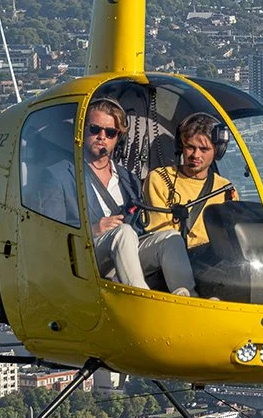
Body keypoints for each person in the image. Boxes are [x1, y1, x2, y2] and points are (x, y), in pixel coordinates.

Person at [81, 99, 193, 294]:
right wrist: (94, 229)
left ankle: (188, 297)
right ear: (83, 131)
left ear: (119, 138)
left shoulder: (128, 179)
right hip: (87, 253)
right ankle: (141, 297)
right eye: (94, 129)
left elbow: (138, 227)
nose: (102, 137)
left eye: (110, 132)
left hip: (125, 250)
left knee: (171, 238)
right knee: (123, 233)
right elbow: (50, 229)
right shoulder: (63, 174)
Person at [144, 112, 239, 251]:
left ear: (217, 151)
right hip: (175, 255)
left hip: (214, 258)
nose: (196, 155)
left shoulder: (226, 189)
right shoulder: (159, 179)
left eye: (204, 149)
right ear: (181, 147)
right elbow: (163, 236)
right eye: (190, 147)